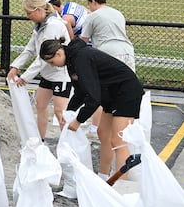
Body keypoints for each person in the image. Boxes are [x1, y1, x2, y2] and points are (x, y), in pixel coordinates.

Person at [39, 37, 144, 181]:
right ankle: (103, 176)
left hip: (126, 92)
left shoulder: (81, 59)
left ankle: (121, 185)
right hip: (111, 94)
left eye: (51, 62)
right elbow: (81, 92)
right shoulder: (71, 62)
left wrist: (78, 121)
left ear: (58, 53)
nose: (53, 66)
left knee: (118, 140)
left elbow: (94, 98)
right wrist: (69, 112)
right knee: (103, 133)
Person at [6, 0, 71, 141]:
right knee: (40, 104)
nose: (28, 16)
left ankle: (68, 146)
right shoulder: (39, 26)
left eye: (29, 13)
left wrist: (25, 77)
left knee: (60, 112)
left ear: (39, 10)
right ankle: (39, 141)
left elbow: (44, 57)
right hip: (48, 74)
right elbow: (30, 49)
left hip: (61, 74)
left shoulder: (53, 25)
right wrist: (15, 66)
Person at [81, 0, 136, 140]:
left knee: (103, 94)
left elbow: (83, 40)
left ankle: (95, 127)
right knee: (127, 92)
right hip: (127, 51)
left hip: (108, 53)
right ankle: (128, 130)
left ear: (93, 2)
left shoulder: (92, 16)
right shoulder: (118, 13)